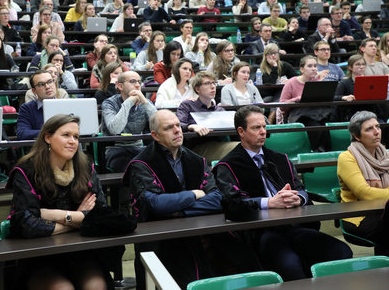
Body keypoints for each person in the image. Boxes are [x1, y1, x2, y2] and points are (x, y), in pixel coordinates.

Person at [213, 105, 352, 281]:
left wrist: (298, 198)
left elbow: (301, 189)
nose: (263, 132)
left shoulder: (280, 159)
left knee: (341, 251)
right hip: (262, 232)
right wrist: (269, 202)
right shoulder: (228, 165)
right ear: (241, 131)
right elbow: (231, 203)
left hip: (293, 225)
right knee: (290, 264)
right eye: (256, 128)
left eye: (264, 126)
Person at [124, 109, 259, 289]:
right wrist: (194, 194)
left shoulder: (195, 160)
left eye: (178, 125)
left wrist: (180, 211)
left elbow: (218, 197)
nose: (177, 130)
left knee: (241, 252)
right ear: (155, 135)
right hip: (160, 236)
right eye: (169, 128)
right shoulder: (142, 164)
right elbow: (155, 204)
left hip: (197, 230)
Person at [8, 114, 113, 290]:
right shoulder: (26, 170)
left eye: (76, 137)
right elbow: (25, 223)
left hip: (80, 251)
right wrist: (78, 218)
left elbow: (102, 214)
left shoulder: (85, 167)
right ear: (48, 138)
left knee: (96, 286)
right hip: (39, 256)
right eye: (66, 135)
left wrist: (53, 215)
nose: (73, 141)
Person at [337, 111, 389, 255]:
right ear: (356, 136)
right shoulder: (347, 158)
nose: (376, 132)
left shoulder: (386, 156)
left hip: (383, 211)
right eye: (369, 129)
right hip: (359, 216)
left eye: (377, 127)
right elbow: (364, 193)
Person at [176, 71, 239, 162]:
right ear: (197, 89)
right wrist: (191, 126)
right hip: (195, 149)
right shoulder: (187, 105)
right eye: (207, 83)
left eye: (214, 83)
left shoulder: (219, 110)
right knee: (240, 149)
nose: (213, 86)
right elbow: (178, 125)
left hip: (219, 145)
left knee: (249, 146)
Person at [101, 71, 157, 172]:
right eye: (132, 81)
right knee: (134, 168)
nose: (137, 85)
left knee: (156, 164)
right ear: (120, 86)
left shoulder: (145, 103)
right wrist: (129, 102)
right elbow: (115, 129)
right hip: (116, 150)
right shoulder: (109, 103)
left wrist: (145, 102)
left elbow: (158, 124)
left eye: (139, 82)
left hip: (139, 147)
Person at [280, 56, 332, 151]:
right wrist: (298, 99)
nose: (313, 69)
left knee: (329, 131)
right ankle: (310, 152)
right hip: (298, 116)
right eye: (310, 66)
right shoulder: (291, 82)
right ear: (302, 69)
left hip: (317, 114)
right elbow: (282, 105)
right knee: (316, 129)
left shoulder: (317, 81)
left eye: (315, 66)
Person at [332, 55, 384, 122]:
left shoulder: (371, 81)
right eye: (358, 64)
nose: (361, 67)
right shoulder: (344, 82)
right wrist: (344, 97)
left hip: (371, 112)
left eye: (363, 64)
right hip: (353, 115)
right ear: (350, 67)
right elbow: (334, 97)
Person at [17, 70, 58, 140]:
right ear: (34, 91)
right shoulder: (27, 108)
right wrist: (49, 133)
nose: (47, 87)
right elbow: (22, 133)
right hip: (40, 149)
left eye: (50, 82)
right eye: (41, 84)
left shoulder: (67, 105)